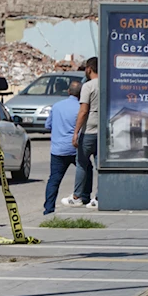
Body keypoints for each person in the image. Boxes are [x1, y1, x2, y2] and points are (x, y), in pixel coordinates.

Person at [62, 57, 99, 209]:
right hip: (103, 130)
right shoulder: (108, 83)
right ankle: (99, 197)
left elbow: (83, 111)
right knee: (100, 165)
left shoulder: (88, 86)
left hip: (89, 130)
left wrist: (76, 132)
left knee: (82, 164)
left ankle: (78, 196)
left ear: (89, 69)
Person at [44, 81, 82, 215]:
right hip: (75, 148)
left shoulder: (57, 106)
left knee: (54, 179)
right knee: (85, 171)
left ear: (68, 91)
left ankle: (48, 208)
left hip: (58, 149)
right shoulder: (81, 108)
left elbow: (47, 126)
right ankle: (83, 197)